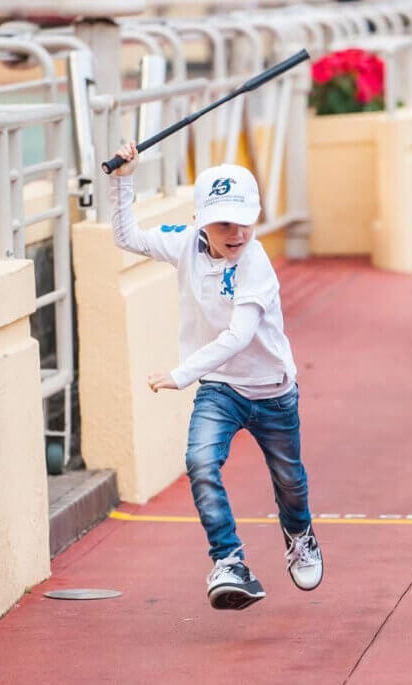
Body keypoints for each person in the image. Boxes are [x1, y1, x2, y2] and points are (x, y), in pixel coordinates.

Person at [109, 143, 323, 611]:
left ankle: (299, 531)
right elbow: (127, 237)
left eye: (245, 219)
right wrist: (123, 179)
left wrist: (180, 373)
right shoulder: (184, 242)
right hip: (220, 389)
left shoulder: (256, 264)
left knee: (290, 482)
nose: (237, 232)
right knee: (201, 464)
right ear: (201, 220)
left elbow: (239, 336)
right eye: (224, 222)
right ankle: (229, 560)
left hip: (272, 392)